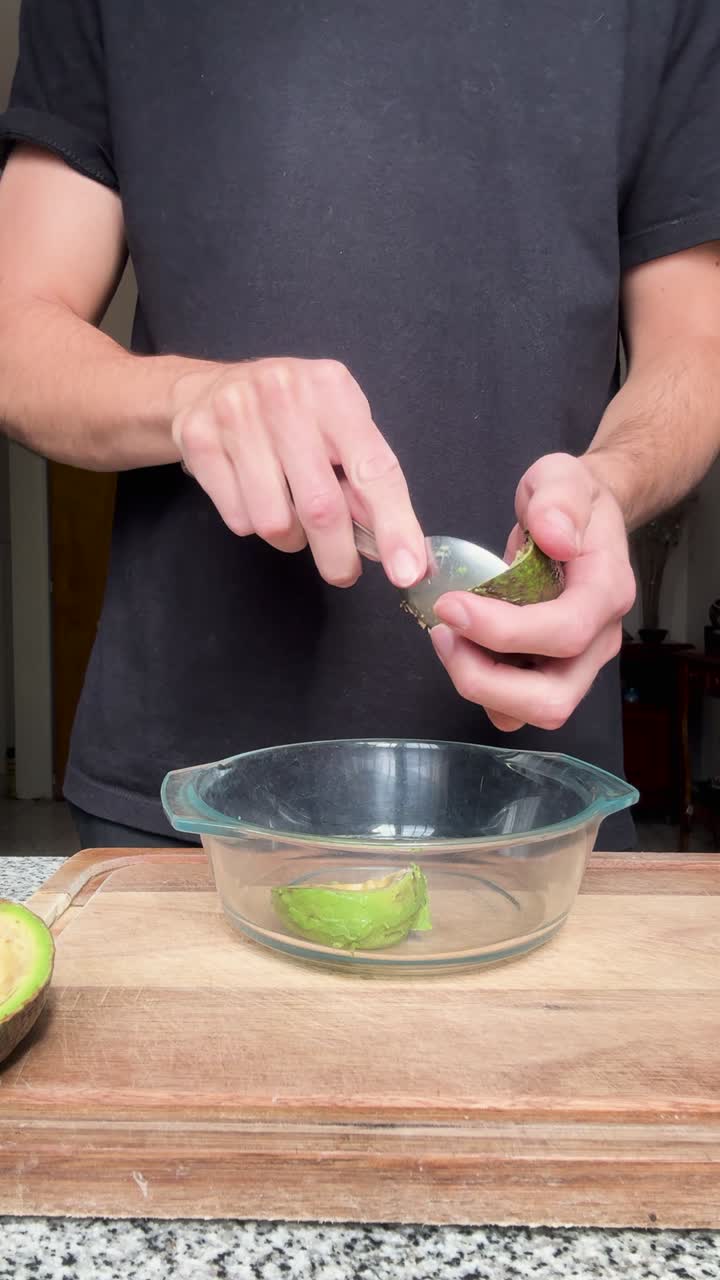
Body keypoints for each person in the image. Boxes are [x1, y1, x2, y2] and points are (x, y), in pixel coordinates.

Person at [1, 1, 718, 852]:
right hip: (183, 805)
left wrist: (613, 481)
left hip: (540, 805)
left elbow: (694, 348)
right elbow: (17, 327)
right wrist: (190, 398)